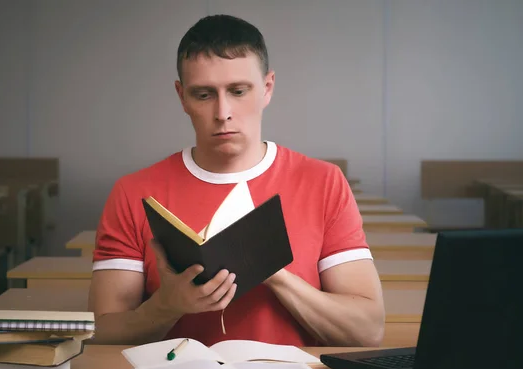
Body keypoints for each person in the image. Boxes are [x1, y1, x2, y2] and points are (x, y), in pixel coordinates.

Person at [88, 14, 385, 347]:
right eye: (203, 95)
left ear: (267, 88)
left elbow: (367, 330)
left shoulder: (324, 182)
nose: (222, 112)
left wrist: (272, 274)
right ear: (182, 97)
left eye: (238, 91)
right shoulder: (133, 193)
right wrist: (166, 306)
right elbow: (102, 332)